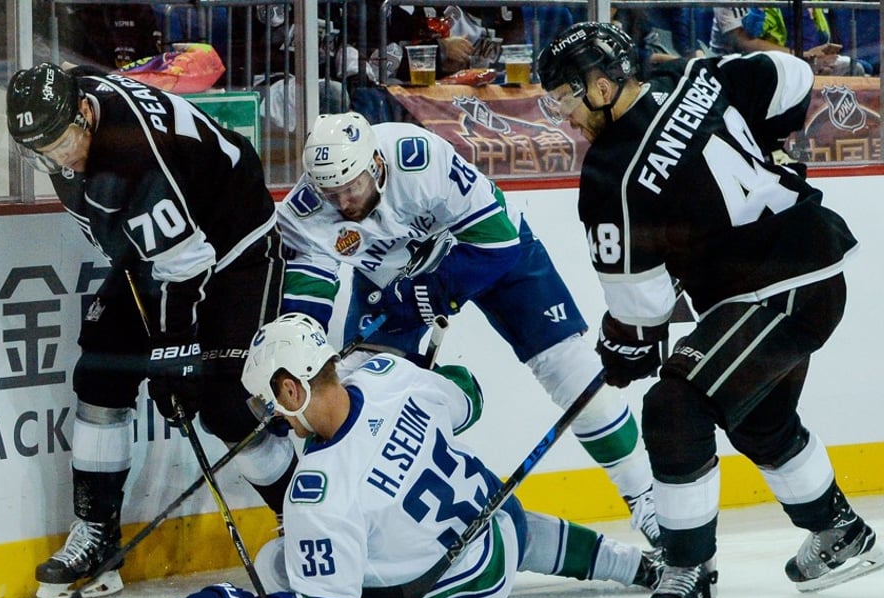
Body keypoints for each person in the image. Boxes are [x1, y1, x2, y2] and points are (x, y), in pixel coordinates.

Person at [537, 22, 884, 598]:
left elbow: (644, 312)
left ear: (600, 85)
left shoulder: (610, 175)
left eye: (565, 99)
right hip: (808, 270)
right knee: (759, 418)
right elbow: (792, 75)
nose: (564, 115)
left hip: (775, 289)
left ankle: (686, 570)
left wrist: (624, 350)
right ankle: (840, 533)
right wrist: (769, 144)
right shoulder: (700, 76)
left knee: (676, 401)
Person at [151, 313, 664, 598]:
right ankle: (637, 565)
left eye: (271, 403)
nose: (274, 418)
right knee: (500, 513)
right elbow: (470, 399)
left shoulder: (318, 488)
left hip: (438, 591)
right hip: (499, 535)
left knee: (276, 562)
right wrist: (427, 381)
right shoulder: (385, 376)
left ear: (291, 388)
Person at [276, 111, 662, 548]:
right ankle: (332, 527)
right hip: (392, 284)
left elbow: (497, 243)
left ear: (375, 165)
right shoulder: (307, 210)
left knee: (572, 371)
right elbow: (307, 301)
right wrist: (296, 362)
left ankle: (648, 500)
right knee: (347, 391)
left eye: (352, 188)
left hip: (486, 256)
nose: (344, 203)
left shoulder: (416, 158)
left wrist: (426, 294)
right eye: (332, 193)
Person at [6, 62, 295, 598]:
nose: (56, 159)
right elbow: (155, 255)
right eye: (39, 150)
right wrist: (168, 352)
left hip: (235, 248)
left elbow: (186, 269)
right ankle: (96, 532)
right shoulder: (77, 100)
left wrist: (175, 354)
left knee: (226, 403)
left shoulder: (132, 159)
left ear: (85, 115)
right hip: (159, 251)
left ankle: (302, 519)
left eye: (62, 141)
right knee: (100, 372)